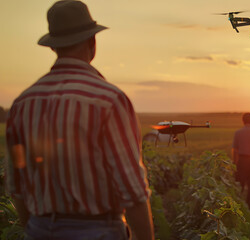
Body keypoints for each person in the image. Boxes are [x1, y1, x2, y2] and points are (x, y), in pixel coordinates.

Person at [5, 1, 154, 239]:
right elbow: (132, 190)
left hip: (39, 229)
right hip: (99, 231)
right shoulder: (109, 99)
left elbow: (17, 186)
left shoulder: (22, 103)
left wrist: (37, 228)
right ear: (92, 42)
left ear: (53, 47)